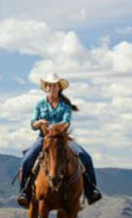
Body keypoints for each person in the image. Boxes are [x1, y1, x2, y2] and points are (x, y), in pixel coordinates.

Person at [17, 72, 102, 207]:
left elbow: (67, 122)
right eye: (49, 85)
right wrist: (39, 123)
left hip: (63, 138)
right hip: (44, 138)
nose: (52, 88)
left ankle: (91, 190)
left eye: (54, 85)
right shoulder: (40, 105)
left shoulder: (65, 106)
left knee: (86, 157)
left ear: (59, 88)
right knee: (27, 159)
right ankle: (24, 192)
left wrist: (55, 127)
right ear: (46, 88)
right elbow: (33, 123)